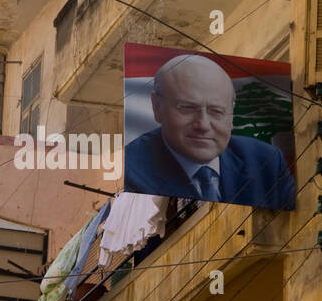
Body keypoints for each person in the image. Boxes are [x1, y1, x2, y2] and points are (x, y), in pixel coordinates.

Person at [124, 54, 295, 208]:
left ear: (232, 112)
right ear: (157, 107)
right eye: (187, 108)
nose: (203, 125)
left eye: (216, 111)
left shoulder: (267, 161)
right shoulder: (133, 170)